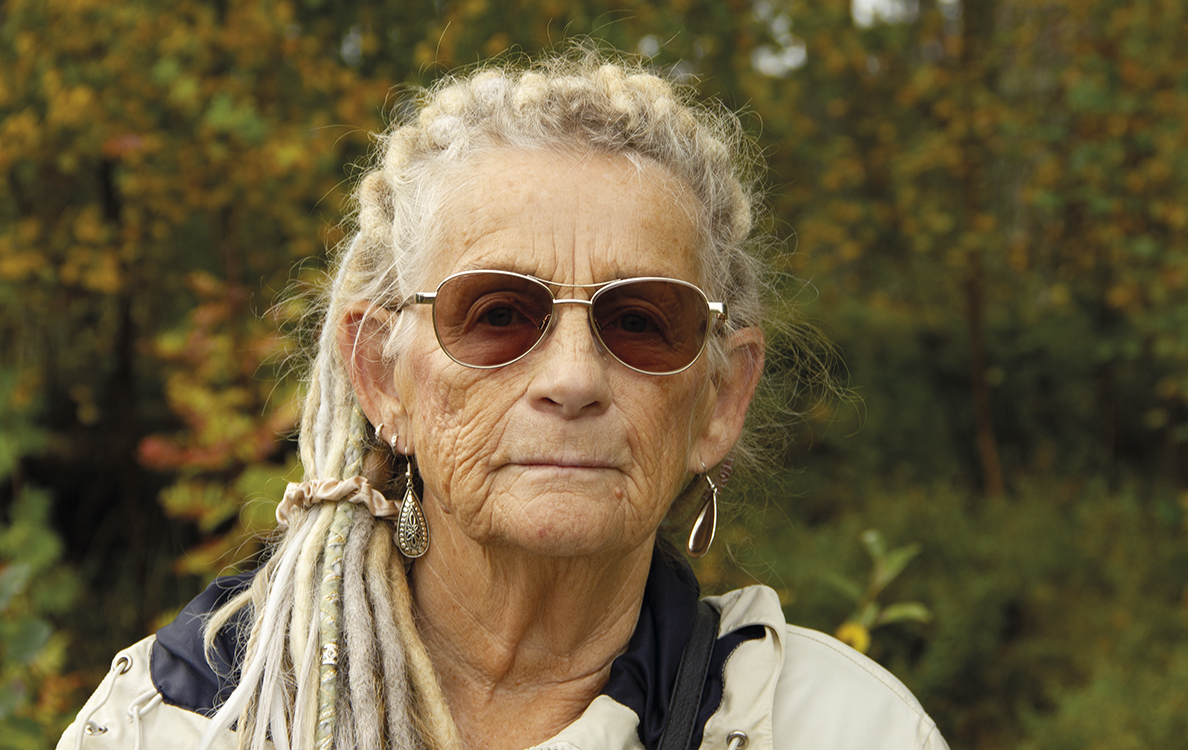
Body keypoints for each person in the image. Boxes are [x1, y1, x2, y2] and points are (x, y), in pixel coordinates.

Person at [59, 49, 949, 750]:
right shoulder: (184, 717)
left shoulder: (844, 731)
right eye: (496, 314)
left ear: (721, 398)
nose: (571, 378)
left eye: (641, 321)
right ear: (380, 377)